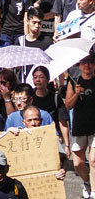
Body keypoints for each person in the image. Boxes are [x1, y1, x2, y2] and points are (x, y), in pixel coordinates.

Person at [65, 53, 95, 198]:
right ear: (79, 65)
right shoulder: (74, 81)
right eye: (84, 63)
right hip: (79, 126)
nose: (87, 66)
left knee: (94, 160)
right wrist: (76, 94)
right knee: (77, 163)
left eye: (90, 62)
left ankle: (94, 192)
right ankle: (87, 182)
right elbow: (68, 106)